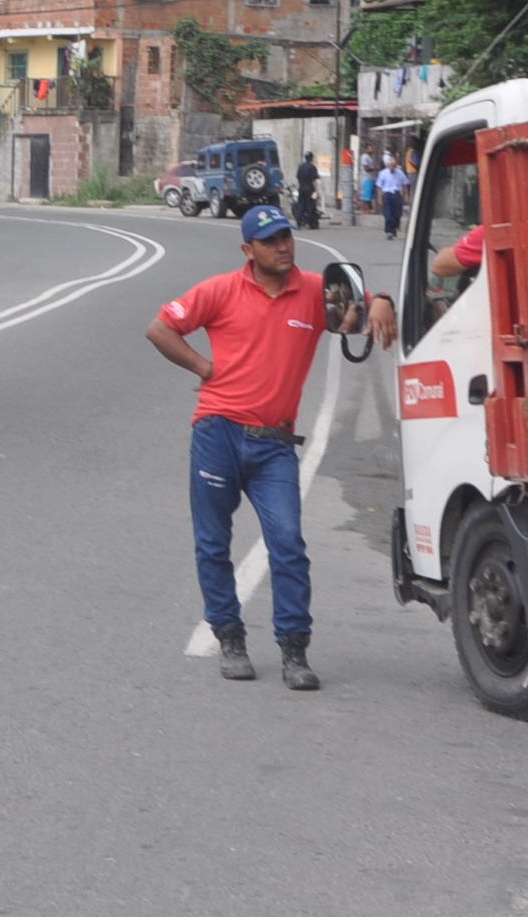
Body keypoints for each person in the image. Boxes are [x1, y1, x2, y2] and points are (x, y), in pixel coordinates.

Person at [145, 204, 397, 690]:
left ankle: (294, 651)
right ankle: (230, 637)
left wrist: (380, 297)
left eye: (286, 236)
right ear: (248, 250)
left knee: (287, 545)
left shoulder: (314, 292)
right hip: (218, 433)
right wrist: (204, 368)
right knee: (213, 544)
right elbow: (160, 328)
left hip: (274, 445)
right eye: (270, 240)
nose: (283, 246)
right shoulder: (220, 290)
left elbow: (361, 309)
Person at [376, 156, 411, 240]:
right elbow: (379, 186)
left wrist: (406, 195)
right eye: (390, 166)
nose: (392, 168)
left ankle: (394, 228)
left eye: (394, 166)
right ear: (388, 166)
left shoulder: (400, 173)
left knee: (397, 214)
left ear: (396, 166)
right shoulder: (383, 173)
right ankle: (389, 232)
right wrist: (379, 197)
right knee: (388, 214)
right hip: (387, 194)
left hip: (396, 194)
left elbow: (405, 184)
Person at [294, 151, 319, 230]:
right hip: (309, 189)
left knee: (300, 205)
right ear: (311, 158)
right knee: (310, 206)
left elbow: (297, 177)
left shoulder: (300, 166)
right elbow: (314, 180)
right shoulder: (312, 167)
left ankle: (299, 222)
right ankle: (310, 222)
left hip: (301, 188)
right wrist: (317, 190)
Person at [359, 142, 377, 214]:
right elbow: (366, 168)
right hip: (366, 178)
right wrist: (374, 168)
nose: (372, 149)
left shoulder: (370, 157)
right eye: (370, 148)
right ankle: (363, 209)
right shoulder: (364, 156)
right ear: (366, 149)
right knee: (366, 195)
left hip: (371, 178)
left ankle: (368, 209)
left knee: (369, 195)